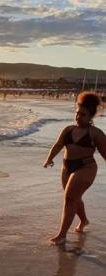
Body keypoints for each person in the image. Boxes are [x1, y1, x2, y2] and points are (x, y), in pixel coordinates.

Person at [43, 92, 106, 245]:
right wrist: (49, 159)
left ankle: (62, 235)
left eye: (83, 114)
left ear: (91, 116)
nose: (78, 117)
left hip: (86, 167)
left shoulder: (96, 133)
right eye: (77, 113)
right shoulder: (68, 130)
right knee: (74, 198)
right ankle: (84, 220)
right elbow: (58, 145)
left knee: (70, 198)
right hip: (67, 167)